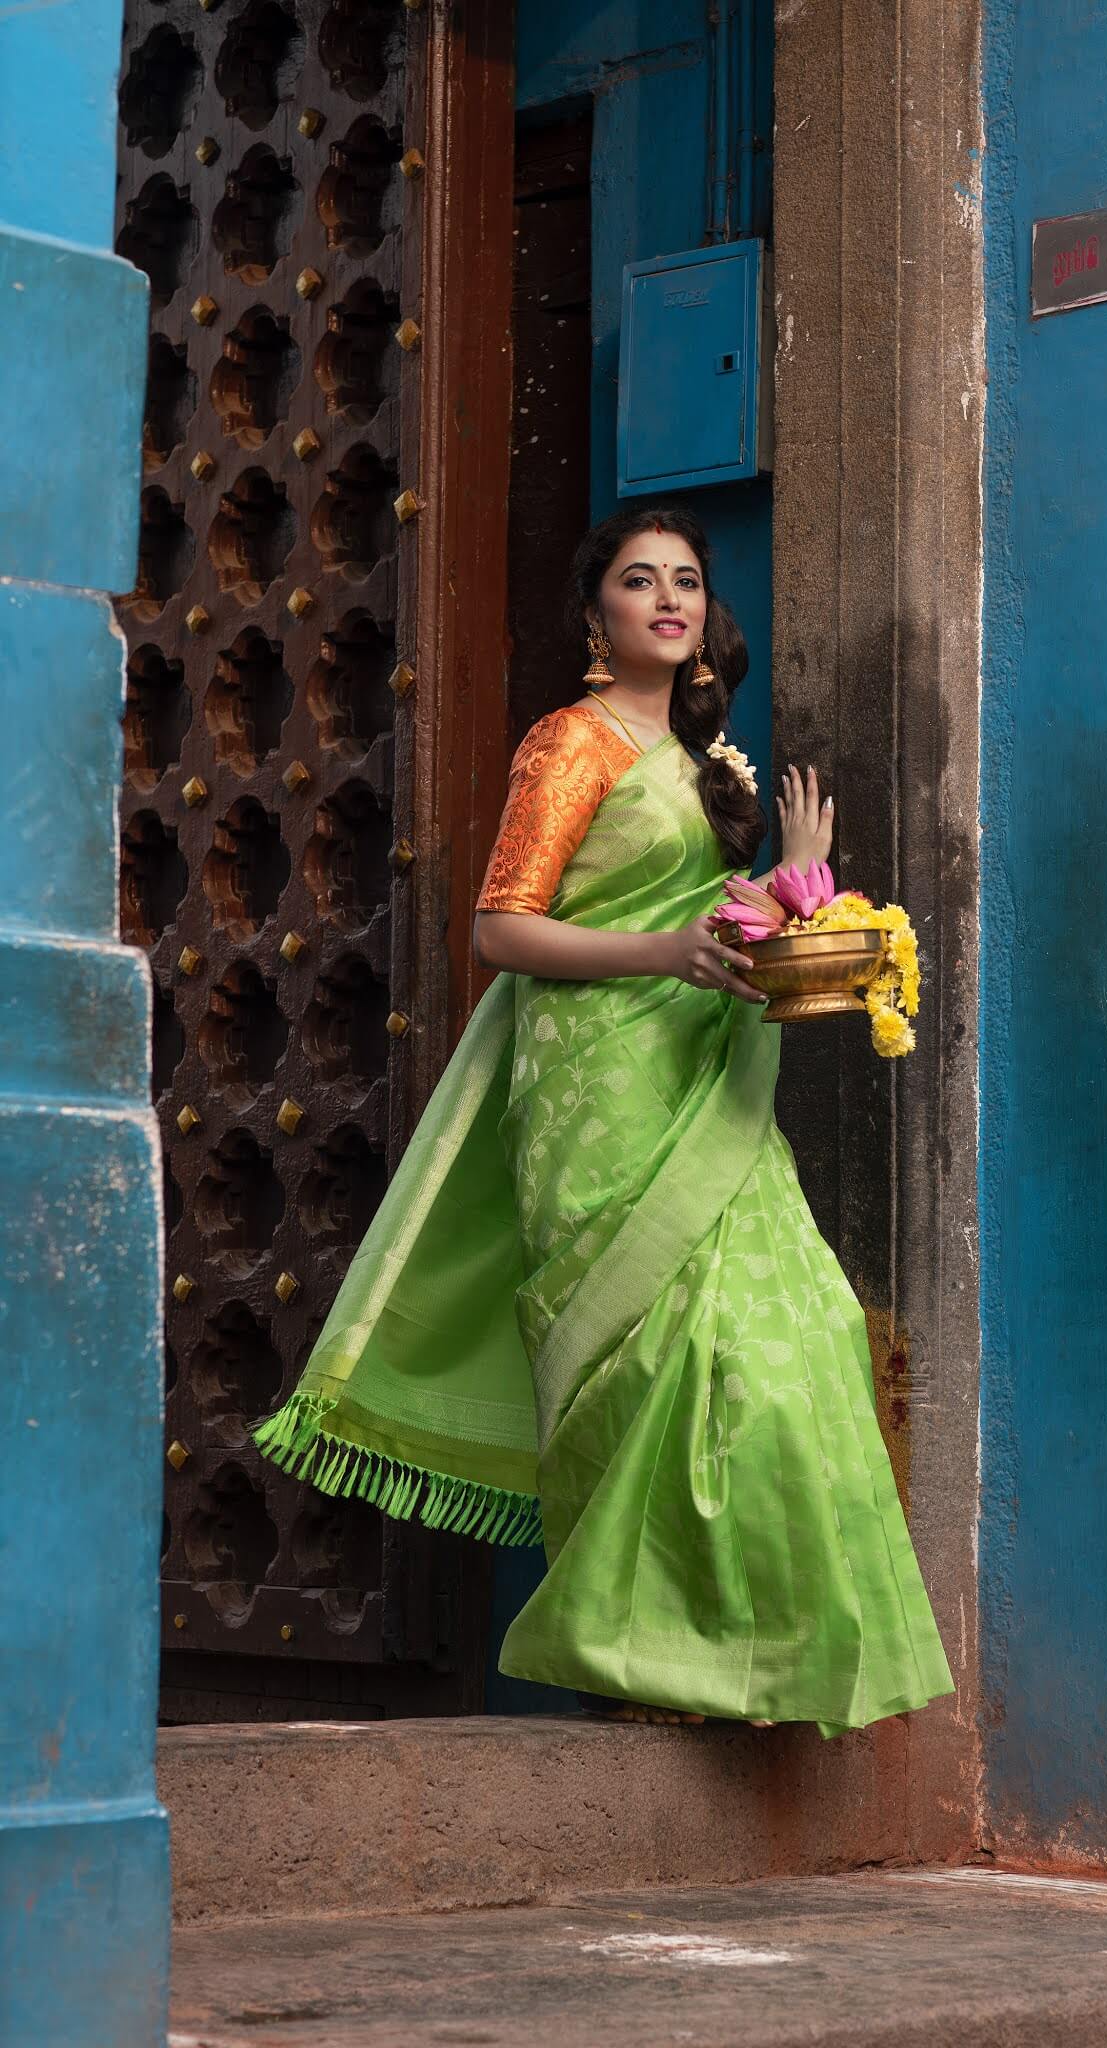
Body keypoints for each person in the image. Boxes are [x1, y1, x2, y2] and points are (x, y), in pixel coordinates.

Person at [252, 505, 954, 1737]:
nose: (669, 599)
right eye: (641, 581)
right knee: (630, 1359)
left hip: (710, 1084)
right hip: (596, 1088)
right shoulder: (568, 745)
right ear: (598, 615)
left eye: (686, 580)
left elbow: (732, 937)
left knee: (800, 1336)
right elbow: (499, 929)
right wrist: (665, 948)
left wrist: (798, 879)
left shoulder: (714, 761)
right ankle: (629, 1667)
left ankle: (745, 1655)